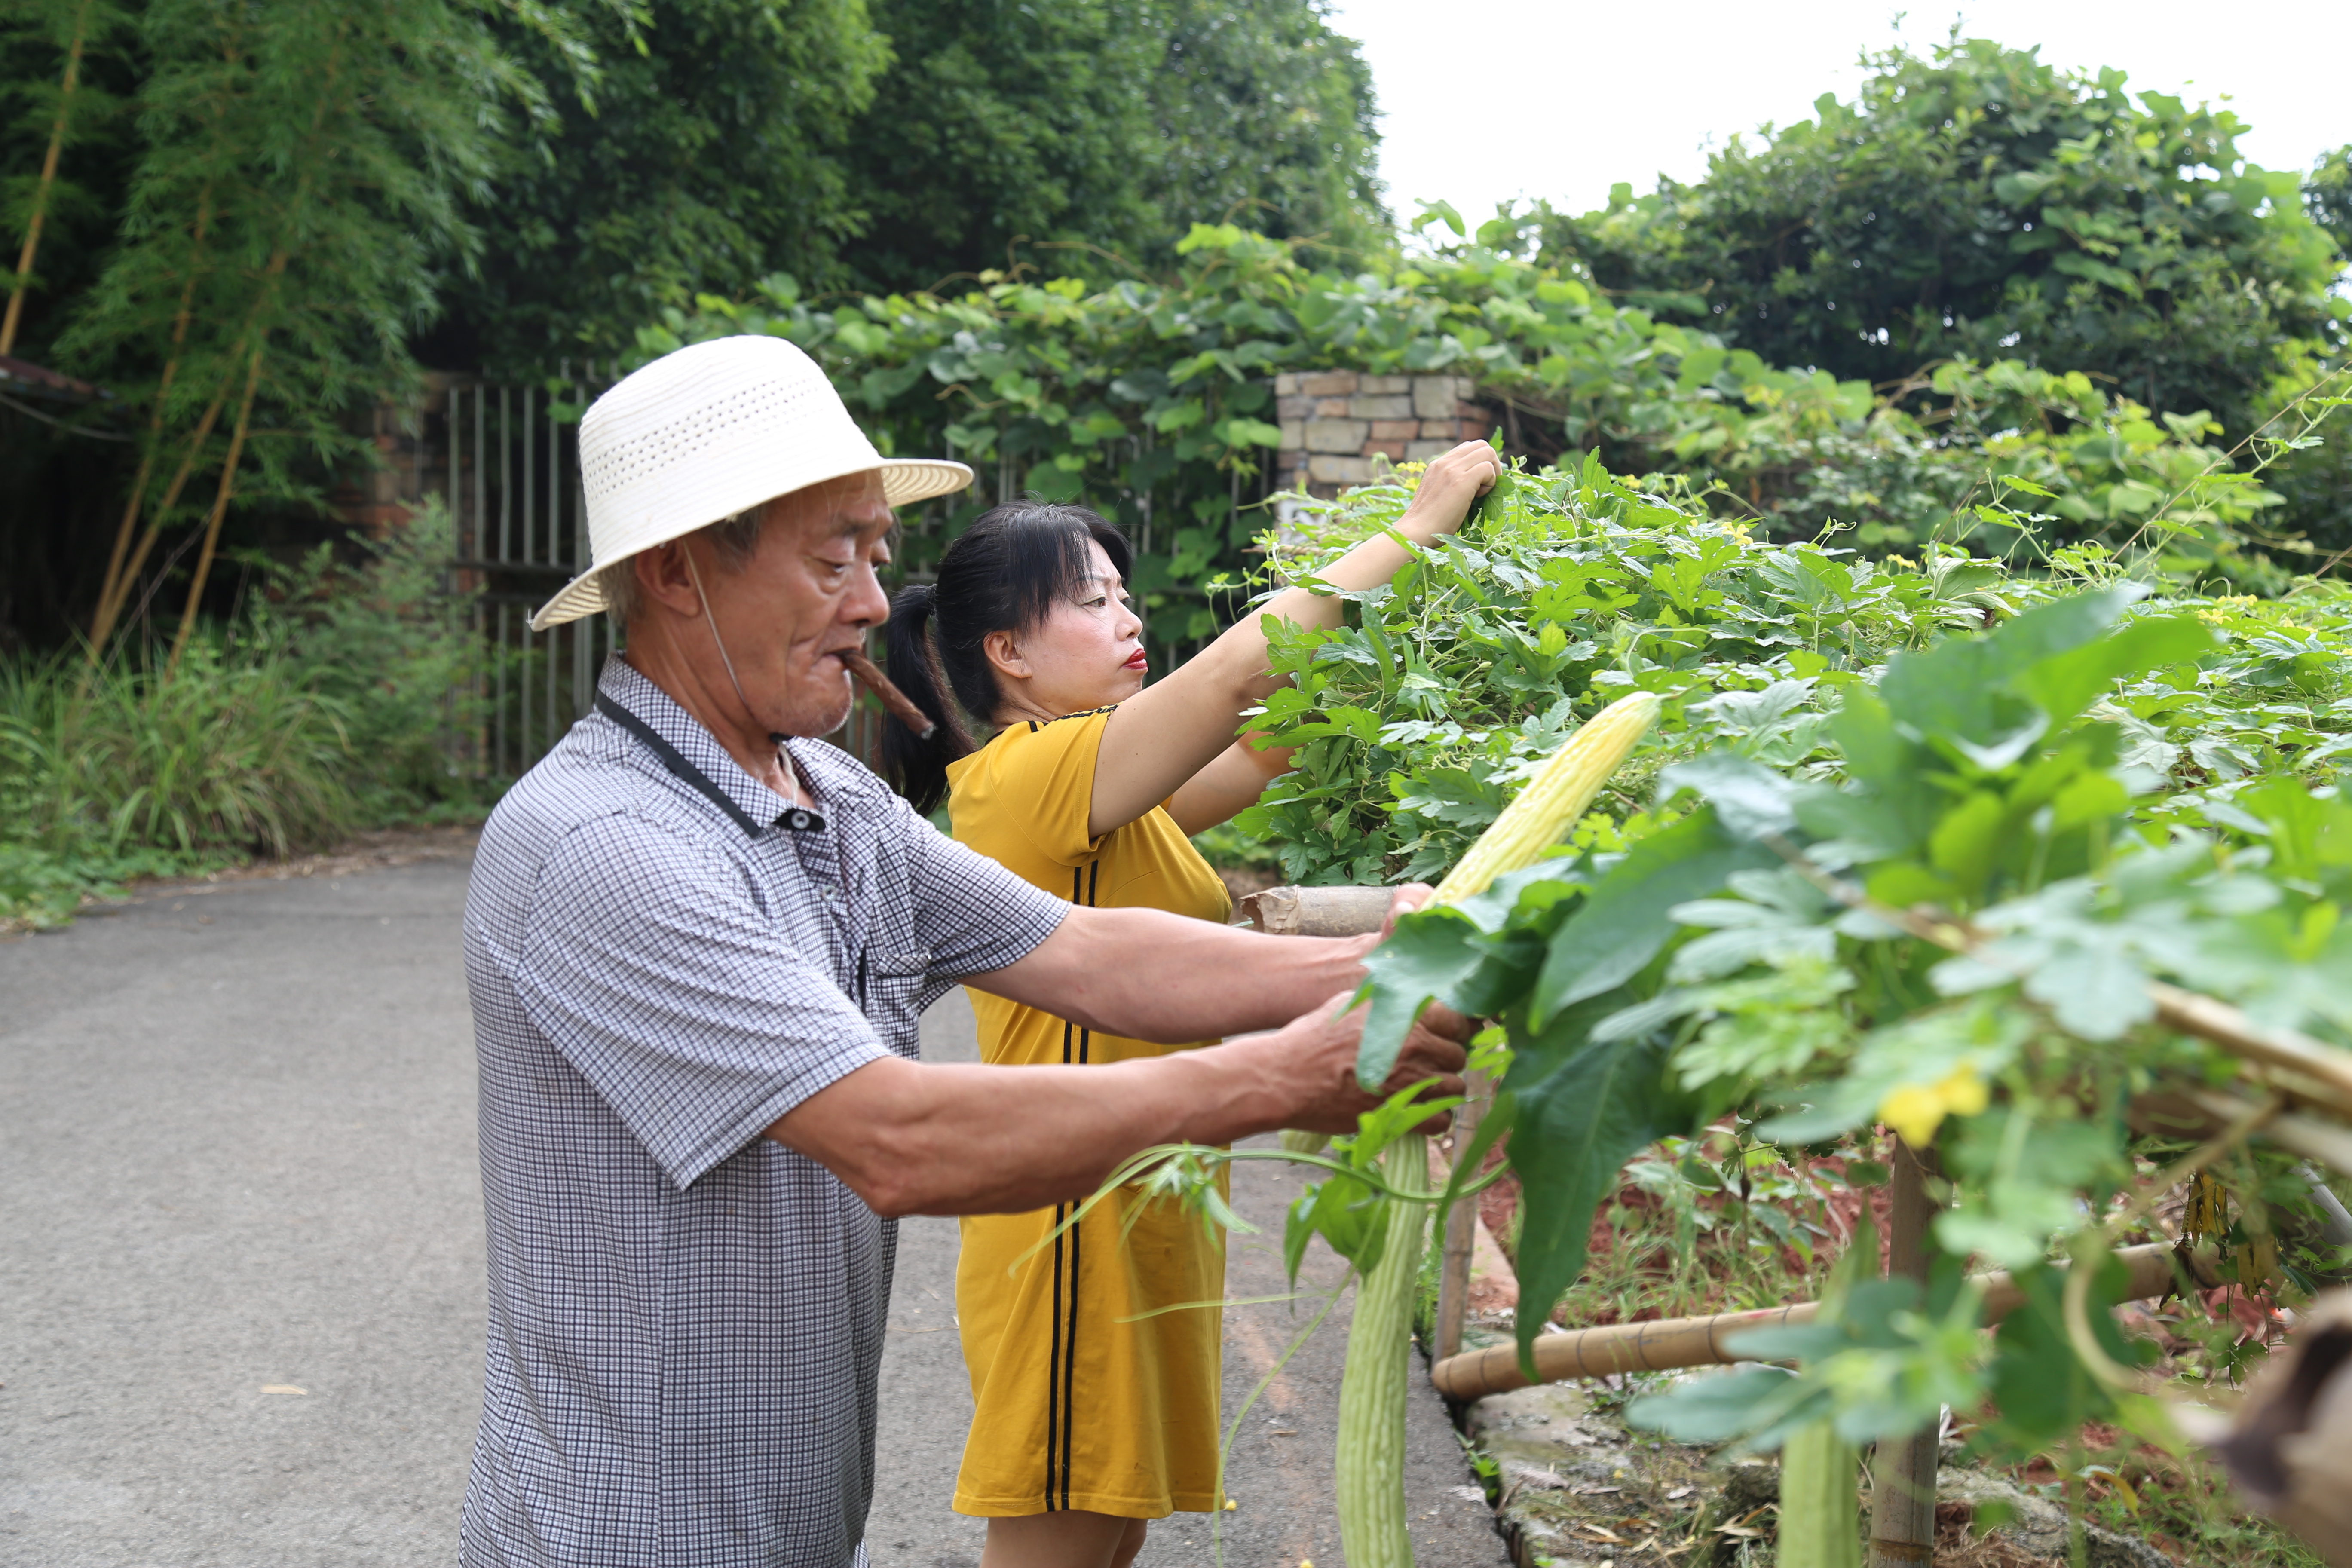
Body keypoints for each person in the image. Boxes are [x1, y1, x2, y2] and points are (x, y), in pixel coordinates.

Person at [459, 334, 1469, 1568]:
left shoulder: (830, 796)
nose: (873, 604)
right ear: (675, 572)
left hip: (790, 1517)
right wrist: (1281, 1074)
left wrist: (1373, 974)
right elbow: (899, 1138)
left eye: (874, 557)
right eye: (831, 560)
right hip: (627, 1535)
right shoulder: (607, 846)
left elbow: (1089, 953)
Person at [878, 442, 1500, 1568]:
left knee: (1108, 1538)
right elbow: (1230, 675)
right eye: (1090, 601)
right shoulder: (1028, 779)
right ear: (1007, 652)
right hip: (1072, 1227)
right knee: (1066, 1542)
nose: (1128, 619)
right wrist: (1417, 530)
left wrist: (1426, 624)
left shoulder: (1121, 794)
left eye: (1124, 596)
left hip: (1147, 1209)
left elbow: (1266, 734)